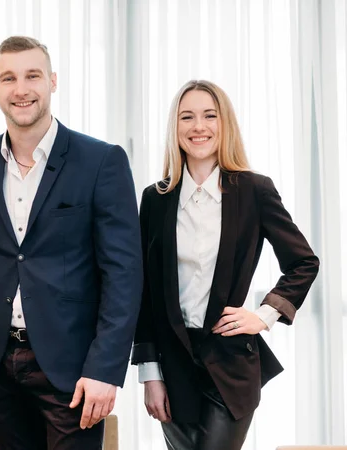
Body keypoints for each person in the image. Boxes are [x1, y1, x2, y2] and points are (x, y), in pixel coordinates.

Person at [0, 36, 143, 450]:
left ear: (53, 82)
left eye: (32, 76)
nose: (21, 89)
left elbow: (123, 274)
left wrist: (106, 369)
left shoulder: (100, 161)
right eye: (9, 78)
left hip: (74, 370)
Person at [131, 80, 320, 450]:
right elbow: (145, 295)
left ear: (224, 124)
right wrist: (149, 373)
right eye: (187, 117)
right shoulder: (155, 199)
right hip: (173, 369)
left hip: (231, 366)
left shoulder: (254, 191)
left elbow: (303, 261)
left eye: (209, 116)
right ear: (175, 127)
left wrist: (263, 315)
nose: (198, 126)